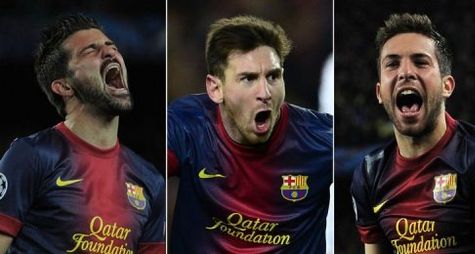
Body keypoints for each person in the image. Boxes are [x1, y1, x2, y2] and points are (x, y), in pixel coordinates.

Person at [0, 14, 165, 253]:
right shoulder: (32, 156)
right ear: (64, 86)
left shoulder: (151, 180)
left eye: (113, 47)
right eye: (90, 50)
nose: (110, 53)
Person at [167, 15, 333, 253]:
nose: (265, 92)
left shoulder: (320, 138)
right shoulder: (186, 125)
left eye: (273, 76)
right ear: (215, 88)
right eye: (249, 78)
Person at [351, 13, 475, 253]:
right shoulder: (370, 174)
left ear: (447, 86)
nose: (405, 72)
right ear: (379, 93)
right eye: (392, 64)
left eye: (421, 62)